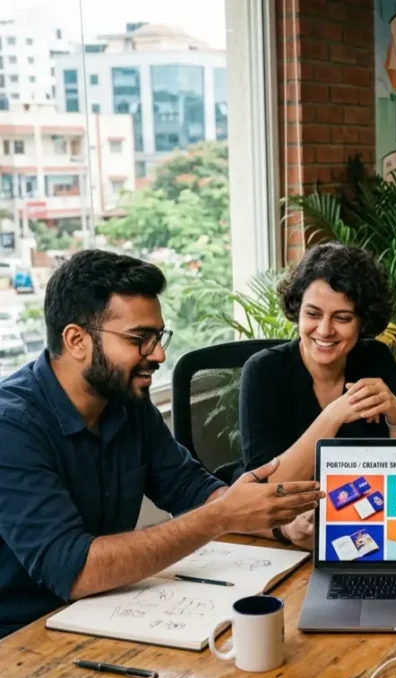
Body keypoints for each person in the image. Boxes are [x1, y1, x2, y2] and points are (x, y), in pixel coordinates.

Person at [0, 251, 322, 638]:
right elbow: (73, 570)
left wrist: (280, 528)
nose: (158, 354)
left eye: (158, 336)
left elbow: (193, 491)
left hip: (106, 610)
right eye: (140, 339)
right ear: (76, 340)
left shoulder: (125, 402)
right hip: (23, 637)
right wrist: (221, 517)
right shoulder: (12, 426)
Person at [235, 244, 396, 494]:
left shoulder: (376, 358)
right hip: (292, 523)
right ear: (297, 310)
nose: (324, 330)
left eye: (342, 318)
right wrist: (335, 415)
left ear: (363, 322)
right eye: (313, 314)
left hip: (365, 511)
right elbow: (264, 488)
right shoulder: (263, 372)